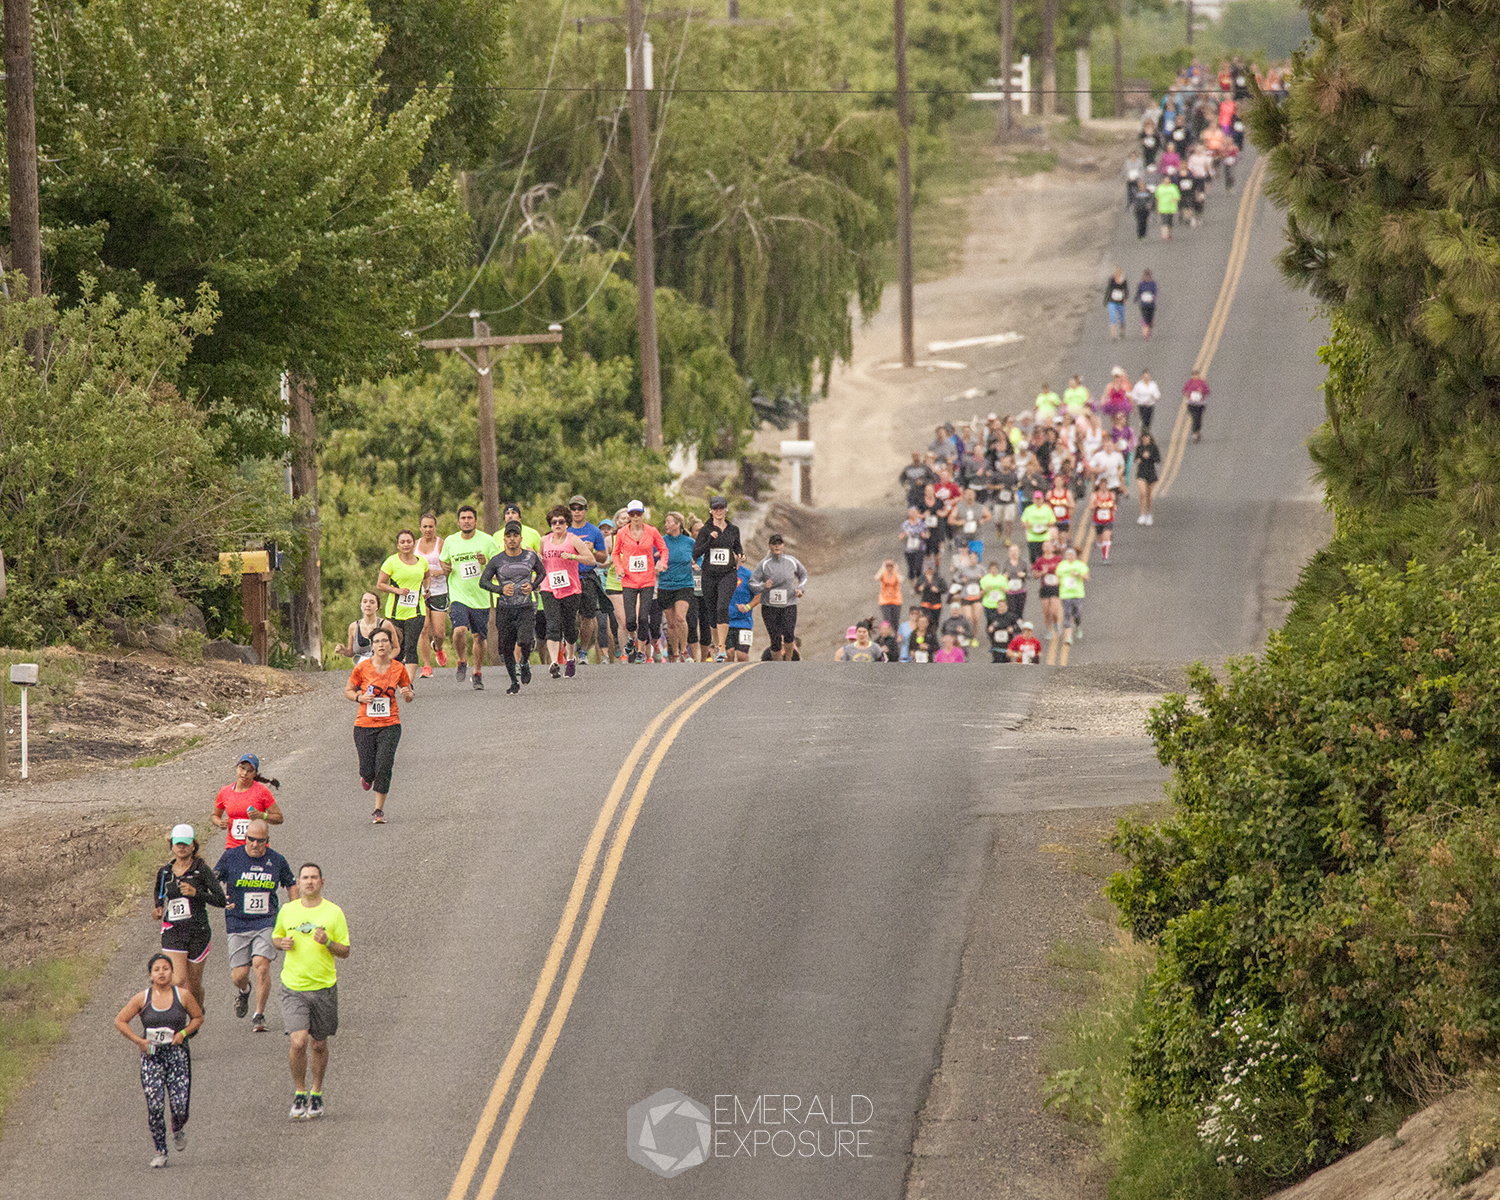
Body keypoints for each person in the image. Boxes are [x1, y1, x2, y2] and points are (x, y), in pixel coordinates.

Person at [271, 863, 350, 1121]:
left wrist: (327, 942)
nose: (309, 882)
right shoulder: (287, 910)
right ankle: (299, 1090)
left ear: (322, 882)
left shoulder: (334, 913)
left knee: (318, 1044)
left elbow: (345, 951)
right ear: (300, 883)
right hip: (293, 986)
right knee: (298, 1041)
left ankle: (316, 1091)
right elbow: (276, 937)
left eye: (314, 878)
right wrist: (280, 943)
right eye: (305, 878)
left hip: (324, 987)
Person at [114, 952, 204, 1166]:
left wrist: (183, 1033)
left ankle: (178, 1127)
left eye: (165, 968)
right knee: (155, 1106)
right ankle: (160, 1151)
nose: (162, 973)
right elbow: (120, 1021)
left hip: (177, 1056)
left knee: (179, 1105)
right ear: (150, 975)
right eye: (157, 970)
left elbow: (198, 1017)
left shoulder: (182, 995)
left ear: (172, 972)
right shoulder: (142, 998)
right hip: (152, 1058)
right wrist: (139, 1041)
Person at [215, 819, 297, 1032]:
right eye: (251, 839)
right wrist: (219, 896)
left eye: (260, 841)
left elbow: (291, 883)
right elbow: (213, 879)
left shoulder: (276, 860)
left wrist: (295, 911)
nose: (255, 844)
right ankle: (244, 991)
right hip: (237, 921)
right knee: (239, 975)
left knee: (262, 965)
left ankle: (259, 1014)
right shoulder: (231, 857)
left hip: (266, 921)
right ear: (245, 838)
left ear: (267, 841)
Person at [345, 627, 414, 824]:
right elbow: (348, 690)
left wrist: (408, 695)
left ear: (391, 644)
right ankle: (366, 777)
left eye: (384, 641)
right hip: (364, 725)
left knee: (384, 765)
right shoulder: (362, 668)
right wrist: (360, 697)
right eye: (377, 641)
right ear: (372, 645)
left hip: (390, 724)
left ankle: (378, 810)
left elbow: (408, 693)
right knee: (368, 769)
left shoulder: (398, 668)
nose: (381, 644)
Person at [153, 826, 226, 1012]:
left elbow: (220, 899)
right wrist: (158, 909)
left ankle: (198, 1009)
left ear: (193, 846)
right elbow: (159, 895)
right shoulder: (165, 872)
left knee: (193, 986)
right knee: (177, 980)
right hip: (173, 930)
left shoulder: (202, 870)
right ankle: (179, 1021)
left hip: (198, 931)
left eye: (186, 844)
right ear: (171, 845)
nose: (181, 848)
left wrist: (197, 893)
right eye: (178, 844)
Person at [438, 504, 498, 691]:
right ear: (458, 521)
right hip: (458, 595)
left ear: (476, 521)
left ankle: (477, 672)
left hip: (480, 597)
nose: (466, 521)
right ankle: (462, 659)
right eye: (463, 518)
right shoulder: (451, 541)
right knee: (459, 630)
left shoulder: (487, 541)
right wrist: (445, 567)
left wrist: (485, 563)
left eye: (469, 518)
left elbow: (498, 567)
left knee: (479, 637)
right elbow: (443, 559)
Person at [480, 521, 544, 694]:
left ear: (521, 538)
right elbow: (483, 582)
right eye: (509, 536)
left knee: (525, 640)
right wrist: (499, 589)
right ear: (504, 539)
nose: (512, 539)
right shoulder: (497, 560)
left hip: (525, 606)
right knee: (507, 645)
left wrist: (533, 585)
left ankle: (524, 662)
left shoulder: (530, 557)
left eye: (515, 536)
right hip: (505, 608)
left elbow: (542, 572)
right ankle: (513, 681)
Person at [539, 504, 597, 677]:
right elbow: (538, 561)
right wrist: (537, 558)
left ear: (567, 524)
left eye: (561, 521)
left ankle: (570, 657)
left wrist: (572, 556)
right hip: (549, 587)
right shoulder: (544, 540)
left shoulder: (573, 540)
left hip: (570, 589)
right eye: (554, 522)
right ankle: (554, 662)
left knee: (570, 627)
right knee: (553, 625)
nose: (557, 525)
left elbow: (591, 560)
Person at [612, 500, 669, 664]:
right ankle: (631, 638)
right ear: (629, 515)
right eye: (632, 514)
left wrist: (662, 562)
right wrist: (619, 567)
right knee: (630, 620)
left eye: (638, 513)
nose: (635, 517)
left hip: (647, 579)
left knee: (644, 618)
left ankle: (642, 651)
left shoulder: (651, 531)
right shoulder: (622, 533)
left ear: (642, 514)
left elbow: (663, 549)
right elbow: (615, 554)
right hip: (629, 580)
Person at [693, 496, 743, 662]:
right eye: (715, 508)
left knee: (722, 607)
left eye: (721, 508)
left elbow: (737, 546)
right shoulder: (705, 530)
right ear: (710, 511)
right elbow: (696, 553)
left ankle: (722, 646)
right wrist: (709, 540)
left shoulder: (733, 529)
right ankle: (716, 645)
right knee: (712, 612)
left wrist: (741, 554)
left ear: (726, 509)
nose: (719, 511)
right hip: (709, 575)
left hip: (728, 574)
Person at [749, 533, 807, 662]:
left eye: (779, 543)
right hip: (770, 606)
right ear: (770, 546)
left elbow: (803, 575)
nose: (777, 546)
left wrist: (800, 589)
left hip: (789, 604)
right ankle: (776, 663)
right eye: (774, 544)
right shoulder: (764, 564)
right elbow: (752, 583)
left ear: (783, 545)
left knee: (789, 633)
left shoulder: (792, 561)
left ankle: (788, 660)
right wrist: (763, 586)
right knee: (775, 638)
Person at [566, 496, 609, 665]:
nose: (577, 511)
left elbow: (603, 557)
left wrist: (592, 551)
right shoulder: (565, 530)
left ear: (585, 510)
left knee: (588, 616)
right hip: (568, 577)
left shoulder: (594, 531)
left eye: (580, 508)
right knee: (568, 616)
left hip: (587, 577)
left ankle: (583, 650)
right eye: (573, 508)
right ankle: (570, 649)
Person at [375, 530, 427, 669]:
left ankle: (408, 685)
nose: (406, 545)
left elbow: (427, 576)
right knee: (397, 649)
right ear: (398, 545)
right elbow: (380, 584)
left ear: (414, 543)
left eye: (409, 541)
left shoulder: (422, 562)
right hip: (395, 612)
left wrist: (427, 590)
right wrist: (397, 590)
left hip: (417, 611)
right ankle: (394, 678)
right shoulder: (391, 562)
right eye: (402, 542)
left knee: (411, 647)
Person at [210, 752, 282, 852]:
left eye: (250, 770)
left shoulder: (262, 791)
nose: (244, 773)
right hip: (233, 847)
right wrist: (220, 823)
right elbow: (215, 815)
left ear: (255, 773)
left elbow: (279, 818)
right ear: (236, 768)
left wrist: (262, 816)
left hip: (257, 849)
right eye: (242, 768)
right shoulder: (225, 791)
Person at [657, 512, 697, 662]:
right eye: (665, 522)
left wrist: (696, 565)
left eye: (669, 522)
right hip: (666, 584)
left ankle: (684, 650)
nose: (666, 525)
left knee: (681, 618)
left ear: (678, 524)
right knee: (671, 623)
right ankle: (674, 653)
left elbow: (699, 556)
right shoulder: (661, 541)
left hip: (684, 584)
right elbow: (653, 555)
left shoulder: (689, 542)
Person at [414, 513, 448, 679]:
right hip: (420, 593)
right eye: (425, 526)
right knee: (423, 629)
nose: (428, 530)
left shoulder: (441, 544)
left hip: (439, 591)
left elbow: (450, 568)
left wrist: (438, 572)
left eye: (431, 526)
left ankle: (438, 648)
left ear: (435, 527)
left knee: (439, 633)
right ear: (420, 528)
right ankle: (426, 666)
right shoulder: (414, 545)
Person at [334, 591, 402, 664]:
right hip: (361, 668)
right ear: (361, 605)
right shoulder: (353, 627)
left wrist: (385, 660)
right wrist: (343, 650)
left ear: (377, 606)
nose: (368, 605)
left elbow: (396, 648)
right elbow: (351, 652)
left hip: (381, 667)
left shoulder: (385, 625)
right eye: (365, 602)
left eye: (372, 602)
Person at [1032, 540, 1064, 643]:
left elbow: (1063, 572)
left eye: (1049, 546)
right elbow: (1035, 576)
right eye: (1045, 546)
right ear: (1042, 548)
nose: (1047, 548)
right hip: (1045, 588)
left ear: (1053, 548)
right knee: (1046, 612)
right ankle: (1049, 630)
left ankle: (1057, 623)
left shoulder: (1058, 559)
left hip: (1055, 587)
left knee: (1054, 611)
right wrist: (1043, 572)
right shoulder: (1039, 561)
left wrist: (1059, 579)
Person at [1057, 545, 1090, 645]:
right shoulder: (1062, 565)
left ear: (1075, 556)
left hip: (1078, 593)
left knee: (1077, 613)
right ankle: (1068, 637)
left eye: (1072, 555)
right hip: (1065, 594)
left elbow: (1087, 577)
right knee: (1067, 614)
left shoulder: (1080, 565)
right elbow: (1058, 577)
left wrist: (1078, 574)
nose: (1070, 557)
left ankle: (1078, 626)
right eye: (1068, 555)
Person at [726, 558, 756, 661]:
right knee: (728, 654)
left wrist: (748, 606)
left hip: (744, 622)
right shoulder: (719, 574)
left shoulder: (748, 575)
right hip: (725, 622)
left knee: (742, 655)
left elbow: (759, 595)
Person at [1020, 490, 1055, 563]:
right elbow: (1023, 523)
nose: (1038, 501)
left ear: (1042, 499)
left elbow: (1053, 522)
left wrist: (1045, 524)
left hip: (1044, 536)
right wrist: (1027, 525)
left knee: (1045, 556)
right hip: (1032, 537)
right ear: (1033, 500)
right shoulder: (1028, 510)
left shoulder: (1047, 509)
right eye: (1036, 499)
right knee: (1033, 557)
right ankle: (1034, 570)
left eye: (1039, 499)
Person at [1135, 431, 1161, 524]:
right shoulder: (1139, 448)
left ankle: (1149, 514)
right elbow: (1136, 458)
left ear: (1150, 438)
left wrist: (1149, 457)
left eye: (1147, 438)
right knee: (1142, 492)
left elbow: (1158, 459)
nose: (1145, 439)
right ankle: (1142, 514)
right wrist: (1140, 458)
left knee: (1148, 495)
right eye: (1144, 438)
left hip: (1150, 472)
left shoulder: (1154, 448)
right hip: (1141, 472)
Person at [1091, 480, 1118, 563]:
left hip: (1108, 520)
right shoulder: (1094, 495)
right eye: (1102, 485)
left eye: (1105, 485)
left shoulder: (1111, 495)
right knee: (1100, 540)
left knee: (1106, 538)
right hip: (1098, 520)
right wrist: (1096, 504)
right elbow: (1090, 507)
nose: (1103, 487)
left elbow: (1114, 507)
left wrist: (1113, 512)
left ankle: (1105, 557)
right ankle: (1101, 547)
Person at [900, 507, 928, 581]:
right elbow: (900, 537)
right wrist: (904, 535)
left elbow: (927, 534)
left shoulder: (921, 523)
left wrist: (924, 535)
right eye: (911, 512)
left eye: (914, 512)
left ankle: (919, 584)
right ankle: (913, 586)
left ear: (917, 513)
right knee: (911, 570)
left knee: (919, 568)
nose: (912, 514)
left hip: (920, 548)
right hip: (909, 549)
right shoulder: (905, 525)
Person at [877, 559, 904, 630]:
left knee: (896, 621)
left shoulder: (896, 574)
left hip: (896, 601)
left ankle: (896, 635)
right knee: (887, 621)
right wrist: (882, 568)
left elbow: (901, 580)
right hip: (884, 601)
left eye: (891, 566)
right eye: (887, 566)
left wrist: (896, 570)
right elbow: (877, 578)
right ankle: (888, 635)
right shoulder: (883, 574)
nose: (889, 568)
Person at [1184, 372, 1210, 442]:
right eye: (1193, 375)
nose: (1195, 377)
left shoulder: (1202, 383)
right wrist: (1188, 394)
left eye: (1196, 375)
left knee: (1198, 418)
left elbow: (1207, 391)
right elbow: (1185, 390)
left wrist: (1202, 391)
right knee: (1194, 418)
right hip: (1191, 404)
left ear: (1198, 376)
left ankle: (1198, 431)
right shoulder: (1189, 383)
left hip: (1200, 404)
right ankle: (1195, 433)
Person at [1105, 268, 1129, 339]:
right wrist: (1106, 299)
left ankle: (1122, 331)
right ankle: (1113, 334)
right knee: (1113, 318)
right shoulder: (1111, 280)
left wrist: (1125, 298)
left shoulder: (1124, 281)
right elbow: (1108, 289)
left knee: (1122, 318)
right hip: (1112, 301)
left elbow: (1126, 290)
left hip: (1121, 302)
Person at [1156, 174, 1181, 239]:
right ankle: (1164, 235)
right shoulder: (1160, 187)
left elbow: (1177, 196)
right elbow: (1157, 196)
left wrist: (1174, 199)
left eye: (1168, 179)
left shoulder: (1173, 187)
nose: (1167, 180)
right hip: (1162, 207)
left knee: (1170, 222)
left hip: (1171, 208)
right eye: (1165, 179)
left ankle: (1169, 233)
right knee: (1164, 222)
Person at [1135, 271, 1158, 340]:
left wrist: (1153, 298)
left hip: (1151, 304)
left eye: (1148, 276)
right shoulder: (1141, 284)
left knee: (1150, 319)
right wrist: (1138, 298)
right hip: (1143, 304)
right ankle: (1146, 334)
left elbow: (1155, 292)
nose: (1147, 277)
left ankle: (1149, 330)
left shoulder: (1153, 284)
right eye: (1146, 276)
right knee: (1144, 317)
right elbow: (1138, 293)